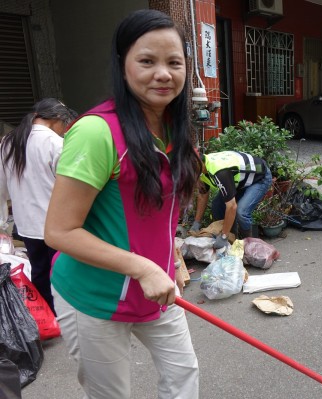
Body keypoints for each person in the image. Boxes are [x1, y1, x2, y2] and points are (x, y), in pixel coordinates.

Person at [44, 10, 200, 397]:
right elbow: (59, 231)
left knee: (184, 377)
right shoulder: (96, 132)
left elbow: (162, 215)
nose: (163, 73)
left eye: (174, 63)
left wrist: (173, 260)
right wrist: (142, 267)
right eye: (147, 61)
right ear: (122, 65)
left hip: (157, 291)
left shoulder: (177, 133)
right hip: (94, 296)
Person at [0, 98, 77, 315]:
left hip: (28, 225)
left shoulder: (8, 142)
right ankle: (69, 314)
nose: (65, 129)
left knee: (41, 271)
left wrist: (2, 219)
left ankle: (49, 317)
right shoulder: (56, 144)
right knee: (66, 271)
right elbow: (71, 187)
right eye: (65, 123)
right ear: (57, 119)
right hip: (58, 223)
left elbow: (1, 187)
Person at [191, 150, 271, 245]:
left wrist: (224, 236)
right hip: (240, 181)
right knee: (217, 206)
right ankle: (232, 239)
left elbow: (231, 206)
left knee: (242, 212)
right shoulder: (202, 170)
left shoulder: (219, 171)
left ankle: (250, 245)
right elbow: (203, 194)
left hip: (259, 178)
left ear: (197, 163)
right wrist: (197, 222)